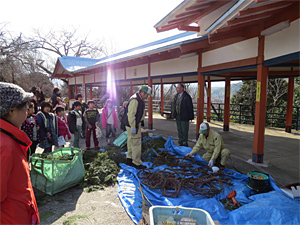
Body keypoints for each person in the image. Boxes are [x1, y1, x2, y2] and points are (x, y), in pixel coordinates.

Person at [0, 82, 40, 224]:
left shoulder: (8, 138)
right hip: (12, 218)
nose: (27, 112)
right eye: (25, 107)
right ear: (11, 111)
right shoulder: (5, 145)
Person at [122, 85, 152, 169]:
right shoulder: (135, 100)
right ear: (142, 92)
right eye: (146, 95)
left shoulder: (138, 98)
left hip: (131, 124)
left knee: (131, 141)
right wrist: (134, 127)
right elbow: (131, 115)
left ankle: (129, 158)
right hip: (132, 124)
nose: (147, 97)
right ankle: (136, 162)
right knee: (136, 143)